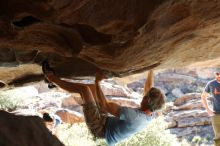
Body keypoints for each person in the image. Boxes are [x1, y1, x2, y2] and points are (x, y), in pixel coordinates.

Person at [43, 65, 165, 146]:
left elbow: (105, 105)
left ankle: (50, 77)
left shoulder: (133, 117)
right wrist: (151, 68)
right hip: (106, 120)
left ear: (147, 101)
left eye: (144, 97)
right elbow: (148, 88)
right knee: (91, 89)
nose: (142, 96)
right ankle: (57, 85)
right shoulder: (152, 112)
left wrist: (98, 81)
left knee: (85, 90)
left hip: (99, 127)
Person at [201, 70, 220, 146]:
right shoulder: (211, 84)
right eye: (217, 74)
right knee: (218, 138)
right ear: (215, 74)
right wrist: (208, 110)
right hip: (216, 114)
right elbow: (203, 96)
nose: (219, 76)